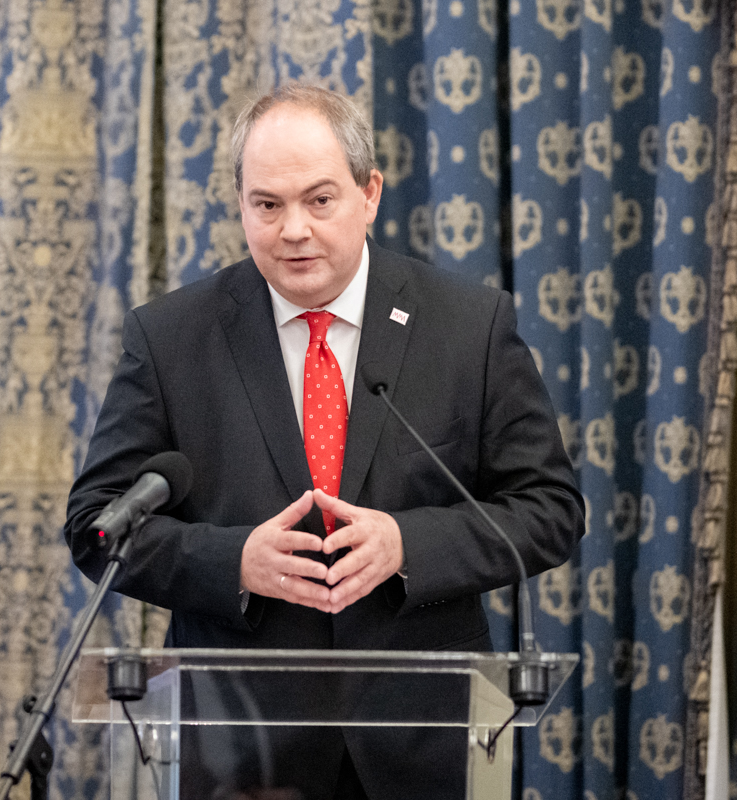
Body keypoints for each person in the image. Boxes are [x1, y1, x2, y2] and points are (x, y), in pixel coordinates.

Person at [64, 84, 584, 799]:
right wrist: (234, 562)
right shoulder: (171, 338)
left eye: (319, 200)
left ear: (369, 194)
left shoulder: (470, 327)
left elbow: (550, 509)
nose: (293, 230)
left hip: (420, 739)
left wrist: (407, 544)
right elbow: (97, 525)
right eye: (267, 205)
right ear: (240, 204)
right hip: (238, 743)